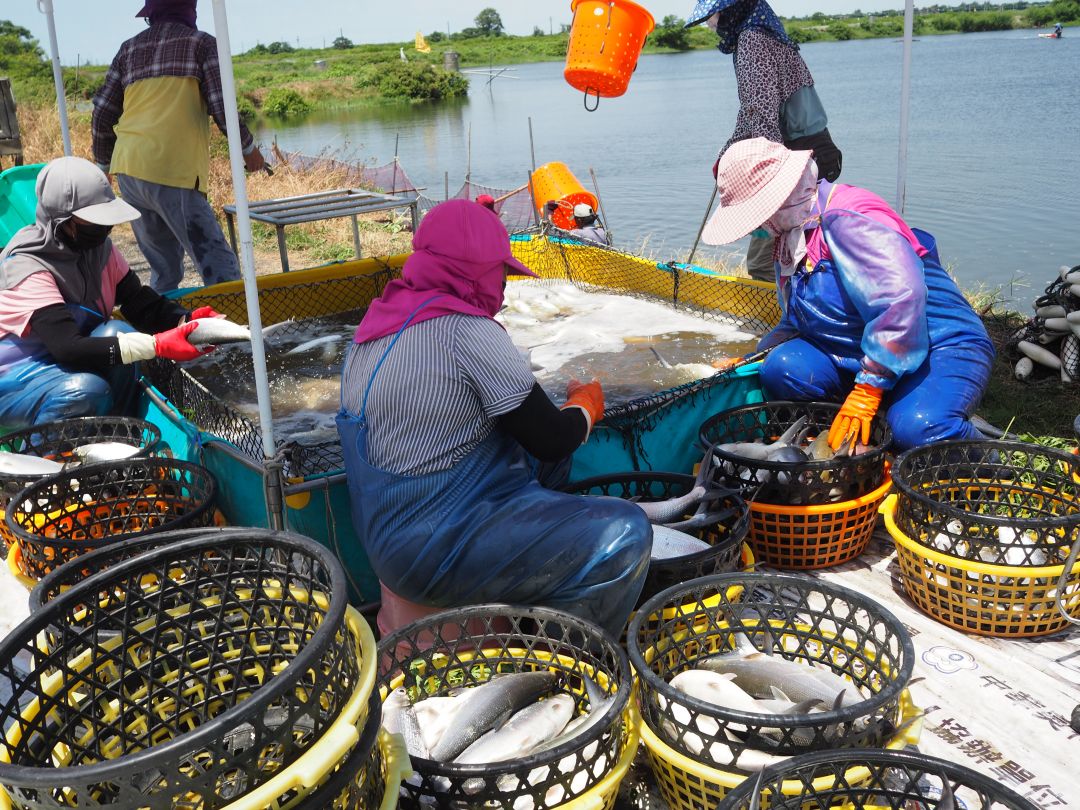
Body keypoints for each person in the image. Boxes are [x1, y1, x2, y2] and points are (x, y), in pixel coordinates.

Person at [337, 199, 651, 637]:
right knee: (625, 530)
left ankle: (531, 585)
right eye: (499, 275)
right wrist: (586, 404)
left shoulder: (375, 326)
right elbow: (553, 438)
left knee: (538, 458)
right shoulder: (467, 331)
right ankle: (568, 659)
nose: (503, 290)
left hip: (385, 537)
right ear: (474, 272)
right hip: (434, 550)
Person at [703, 138, 994, 451]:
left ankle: (990, 460)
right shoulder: (790, 237)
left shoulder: (848, 217)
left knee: (919, 427)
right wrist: (754, 357)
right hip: (858, 350)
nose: (753, 227)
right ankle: (875, 425)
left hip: (940, 344)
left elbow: (902, 299)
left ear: (780, 197)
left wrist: (868, 390)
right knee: (780, 367)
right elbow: (798, 321)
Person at [0, 157, 222, 429]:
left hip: (65, 364)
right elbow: (68, 348)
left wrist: (186, 321)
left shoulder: (100, 252)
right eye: (95, 221)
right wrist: (157, 344)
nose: (105, 230)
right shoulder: (27, 266)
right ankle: (43, 460)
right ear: (63, 222)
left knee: (118, 332)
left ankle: (119, 434)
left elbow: (139, 303)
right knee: (87, 390)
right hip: (15, 380)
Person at [91, 0, 266, 293]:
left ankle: (163, 329)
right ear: (190, 11)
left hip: (129, 170)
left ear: (151, 14)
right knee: (218, 266)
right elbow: (222, 107)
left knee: (165, 269)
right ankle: (237, 330)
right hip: (172, 169)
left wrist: (103, 165)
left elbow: (102, 112)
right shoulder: (202, 44)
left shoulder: (128, 49)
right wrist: (250, 152)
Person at [686, 0, 842, 282]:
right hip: (818, 151)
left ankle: (781, 319)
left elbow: (759, 114)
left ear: (733, 10)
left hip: (789, 160)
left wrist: (732, 159)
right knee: (804, 250)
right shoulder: (772, 33)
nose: (712, 24)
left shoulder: (751, 40)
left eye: (714, 16)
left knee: (763, 263)